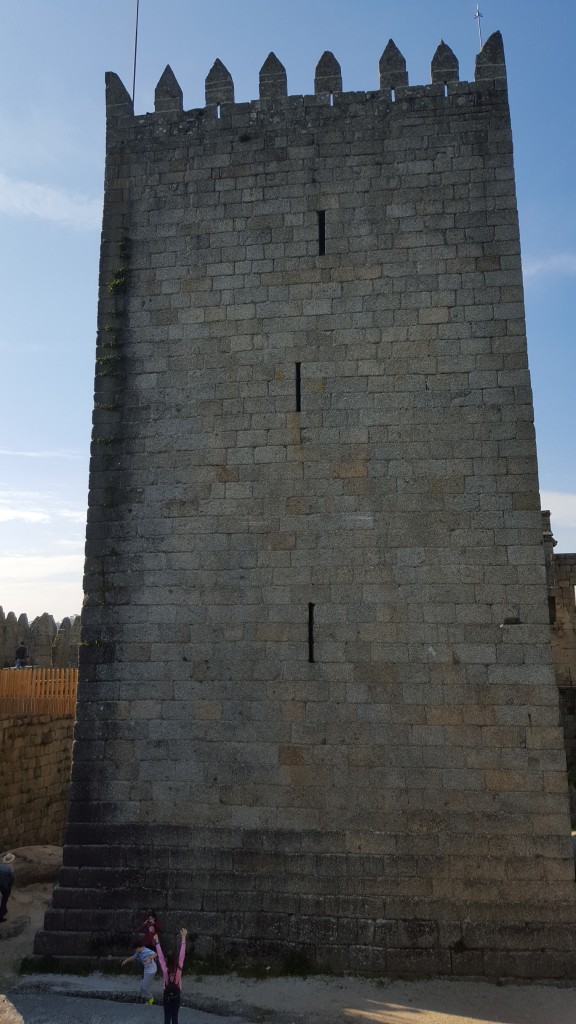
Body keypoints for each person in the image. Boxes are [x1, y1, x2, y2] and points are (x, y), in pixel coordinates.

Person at [154, 927, 187, 1024]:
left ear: (167, 960)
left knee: (167, 1018)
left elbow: (160, 957)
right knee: (175, 1017)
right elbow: (182, 955)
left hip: (167, 996)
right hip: (176, 995)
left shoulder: (165, 969)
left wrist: (157, 941)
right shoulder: (179, 968)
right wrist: (183, 937)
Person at [121, 939, 158, 1003]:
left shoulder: (146, 950)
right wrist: (126, 960)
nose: (135, 951)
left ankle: (151, 998)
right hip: (146, 970)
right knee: (146, 985)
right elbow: (133, 957)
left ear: (138, 947)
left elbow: (155, 954)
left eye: (135, 949)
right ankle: (149, 997)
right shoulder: (138, 952)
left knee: (142, 986)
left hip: (151, 971)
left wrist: (150, 958)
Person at [0, 853, 15, 922]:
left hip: (1, 885)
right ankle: (1, 916)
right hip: (6, 885)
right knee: (4, 899)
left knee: (4, 897)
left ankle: (5, 910)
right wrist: (10, 884)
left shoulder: (1, 865)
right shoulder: (10, 867)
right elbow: (12, 877)